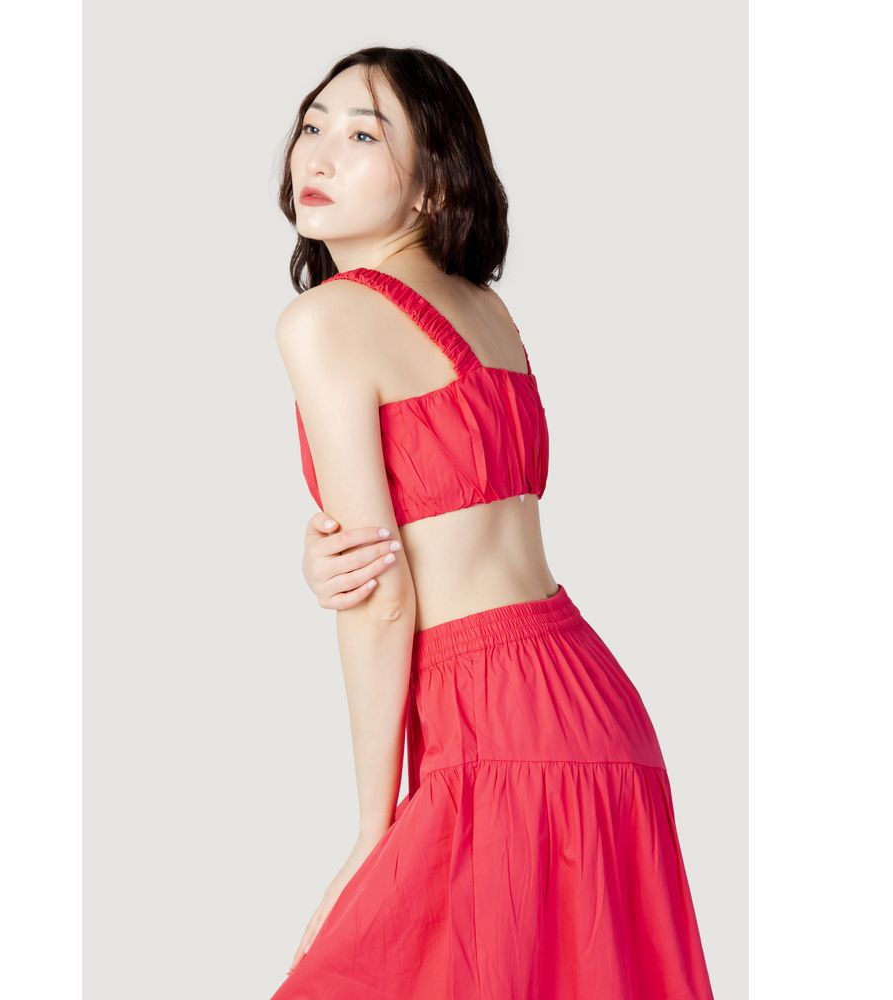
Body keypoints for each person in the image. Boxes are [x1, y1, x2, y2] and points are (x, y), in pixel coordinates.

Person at [269, 46, 715, 999]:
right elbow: (450, 517)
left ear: (435, 182)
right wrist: (327, 556)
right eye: (313, 124)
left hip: (493, 725)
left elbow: (385, 594)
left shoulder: (326, 320)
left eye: (364, 135)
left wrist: (372, 830)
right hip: (595, 709)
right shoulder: (484, 309)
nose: (319, 154)